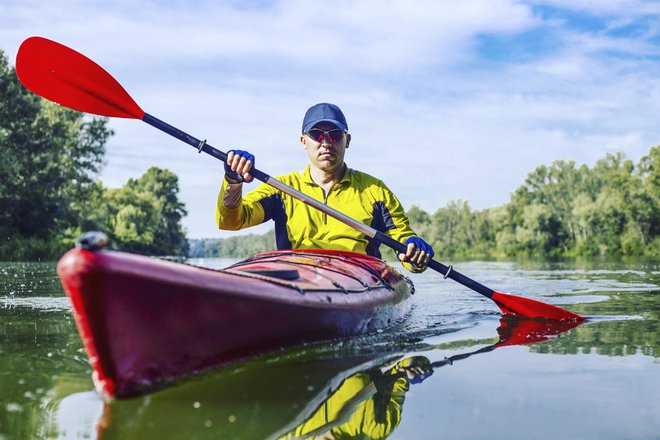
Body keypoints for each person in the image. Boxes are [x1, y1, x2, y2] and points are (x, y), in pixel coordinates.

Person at [216, 102, 434, 272]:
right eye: (317, 134)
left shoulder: (374, 191)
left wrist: (413, 254)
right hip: (299, 277)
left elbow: (402, 239)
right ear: (303, 141)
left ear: (346, 140)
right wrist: (233, 182)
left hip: (361, 277)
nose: (326, 142)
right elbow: (231, 222)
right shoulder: (280, 189)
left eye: (334, 135)